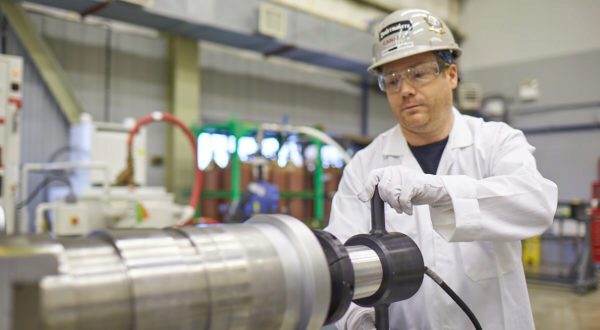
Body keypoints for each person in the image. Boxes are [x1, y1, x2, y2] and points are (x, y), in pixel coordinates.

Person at [325, 8, 558, 330]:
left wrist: (444, 193)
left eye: (418, 74)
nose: (405, 89)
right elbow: (344, 262)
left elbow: (536, 204)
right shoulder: (364, 165)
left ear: (451, 75)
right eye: (391, 80)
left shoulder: (495, 141)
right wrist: (358, 320)